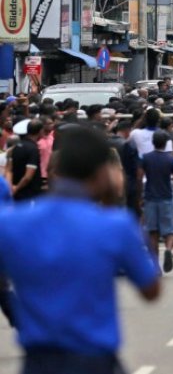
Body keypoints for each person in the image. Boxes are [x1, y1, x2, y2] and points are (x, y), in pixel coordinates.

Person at [0, 126, 160, 374]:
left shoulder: (12, 224)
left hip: (37, 361)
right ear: (102, 172)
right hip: (94, 359)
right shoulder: (115, 225)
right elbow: (151, 289)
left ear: (54, 172)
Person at [137, 130, 173, 273]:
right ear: (166, 144)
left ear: (153, 143)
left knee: (153, 232)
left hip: (150, 197)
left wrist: (140, 195)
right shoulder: (170, 159)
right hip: (166, 196)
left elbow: (139, 177)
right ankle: (169, 249)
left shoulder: (145, 158)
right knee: (170, 230)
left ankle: (155, 265)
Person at [10, 119, 43, 202]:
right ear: (40, 131)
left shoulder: (16, 146)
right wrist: (16, 188)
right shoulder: (33, 149)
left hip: (15, 191)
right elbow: (28, 177)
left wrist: (12, 187)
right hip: (28, 194)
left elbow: (9, 169)